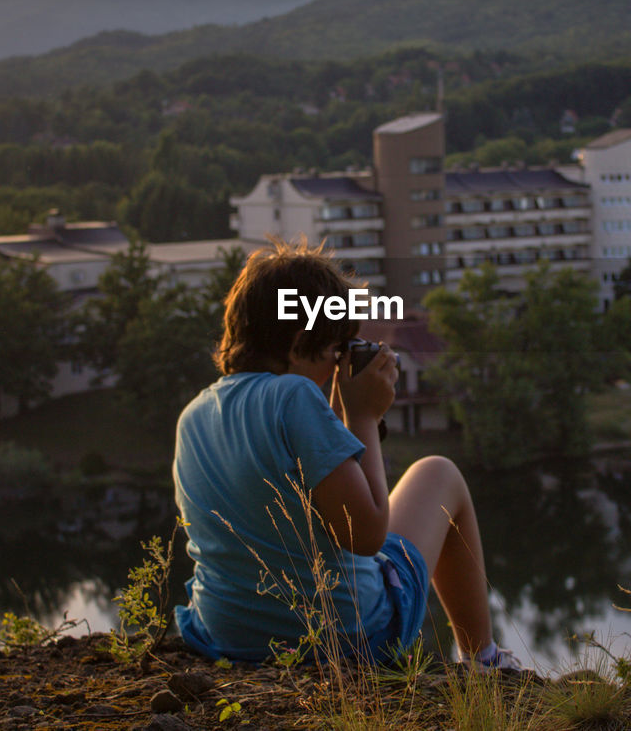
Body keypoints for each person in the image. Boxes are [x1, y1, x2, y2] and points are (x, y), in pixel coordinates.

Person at [173, 241, 521, 671]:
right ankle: (484, 658)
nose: (338, 367)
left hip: (226, 638)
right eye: (336, 351)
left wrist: (343, 412)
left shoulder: (194, 415)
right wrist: (362, 416)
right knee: (439, 473)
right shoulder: (294, 396)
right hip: (345, 639)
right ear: (301, 342)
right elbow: (367, 535)